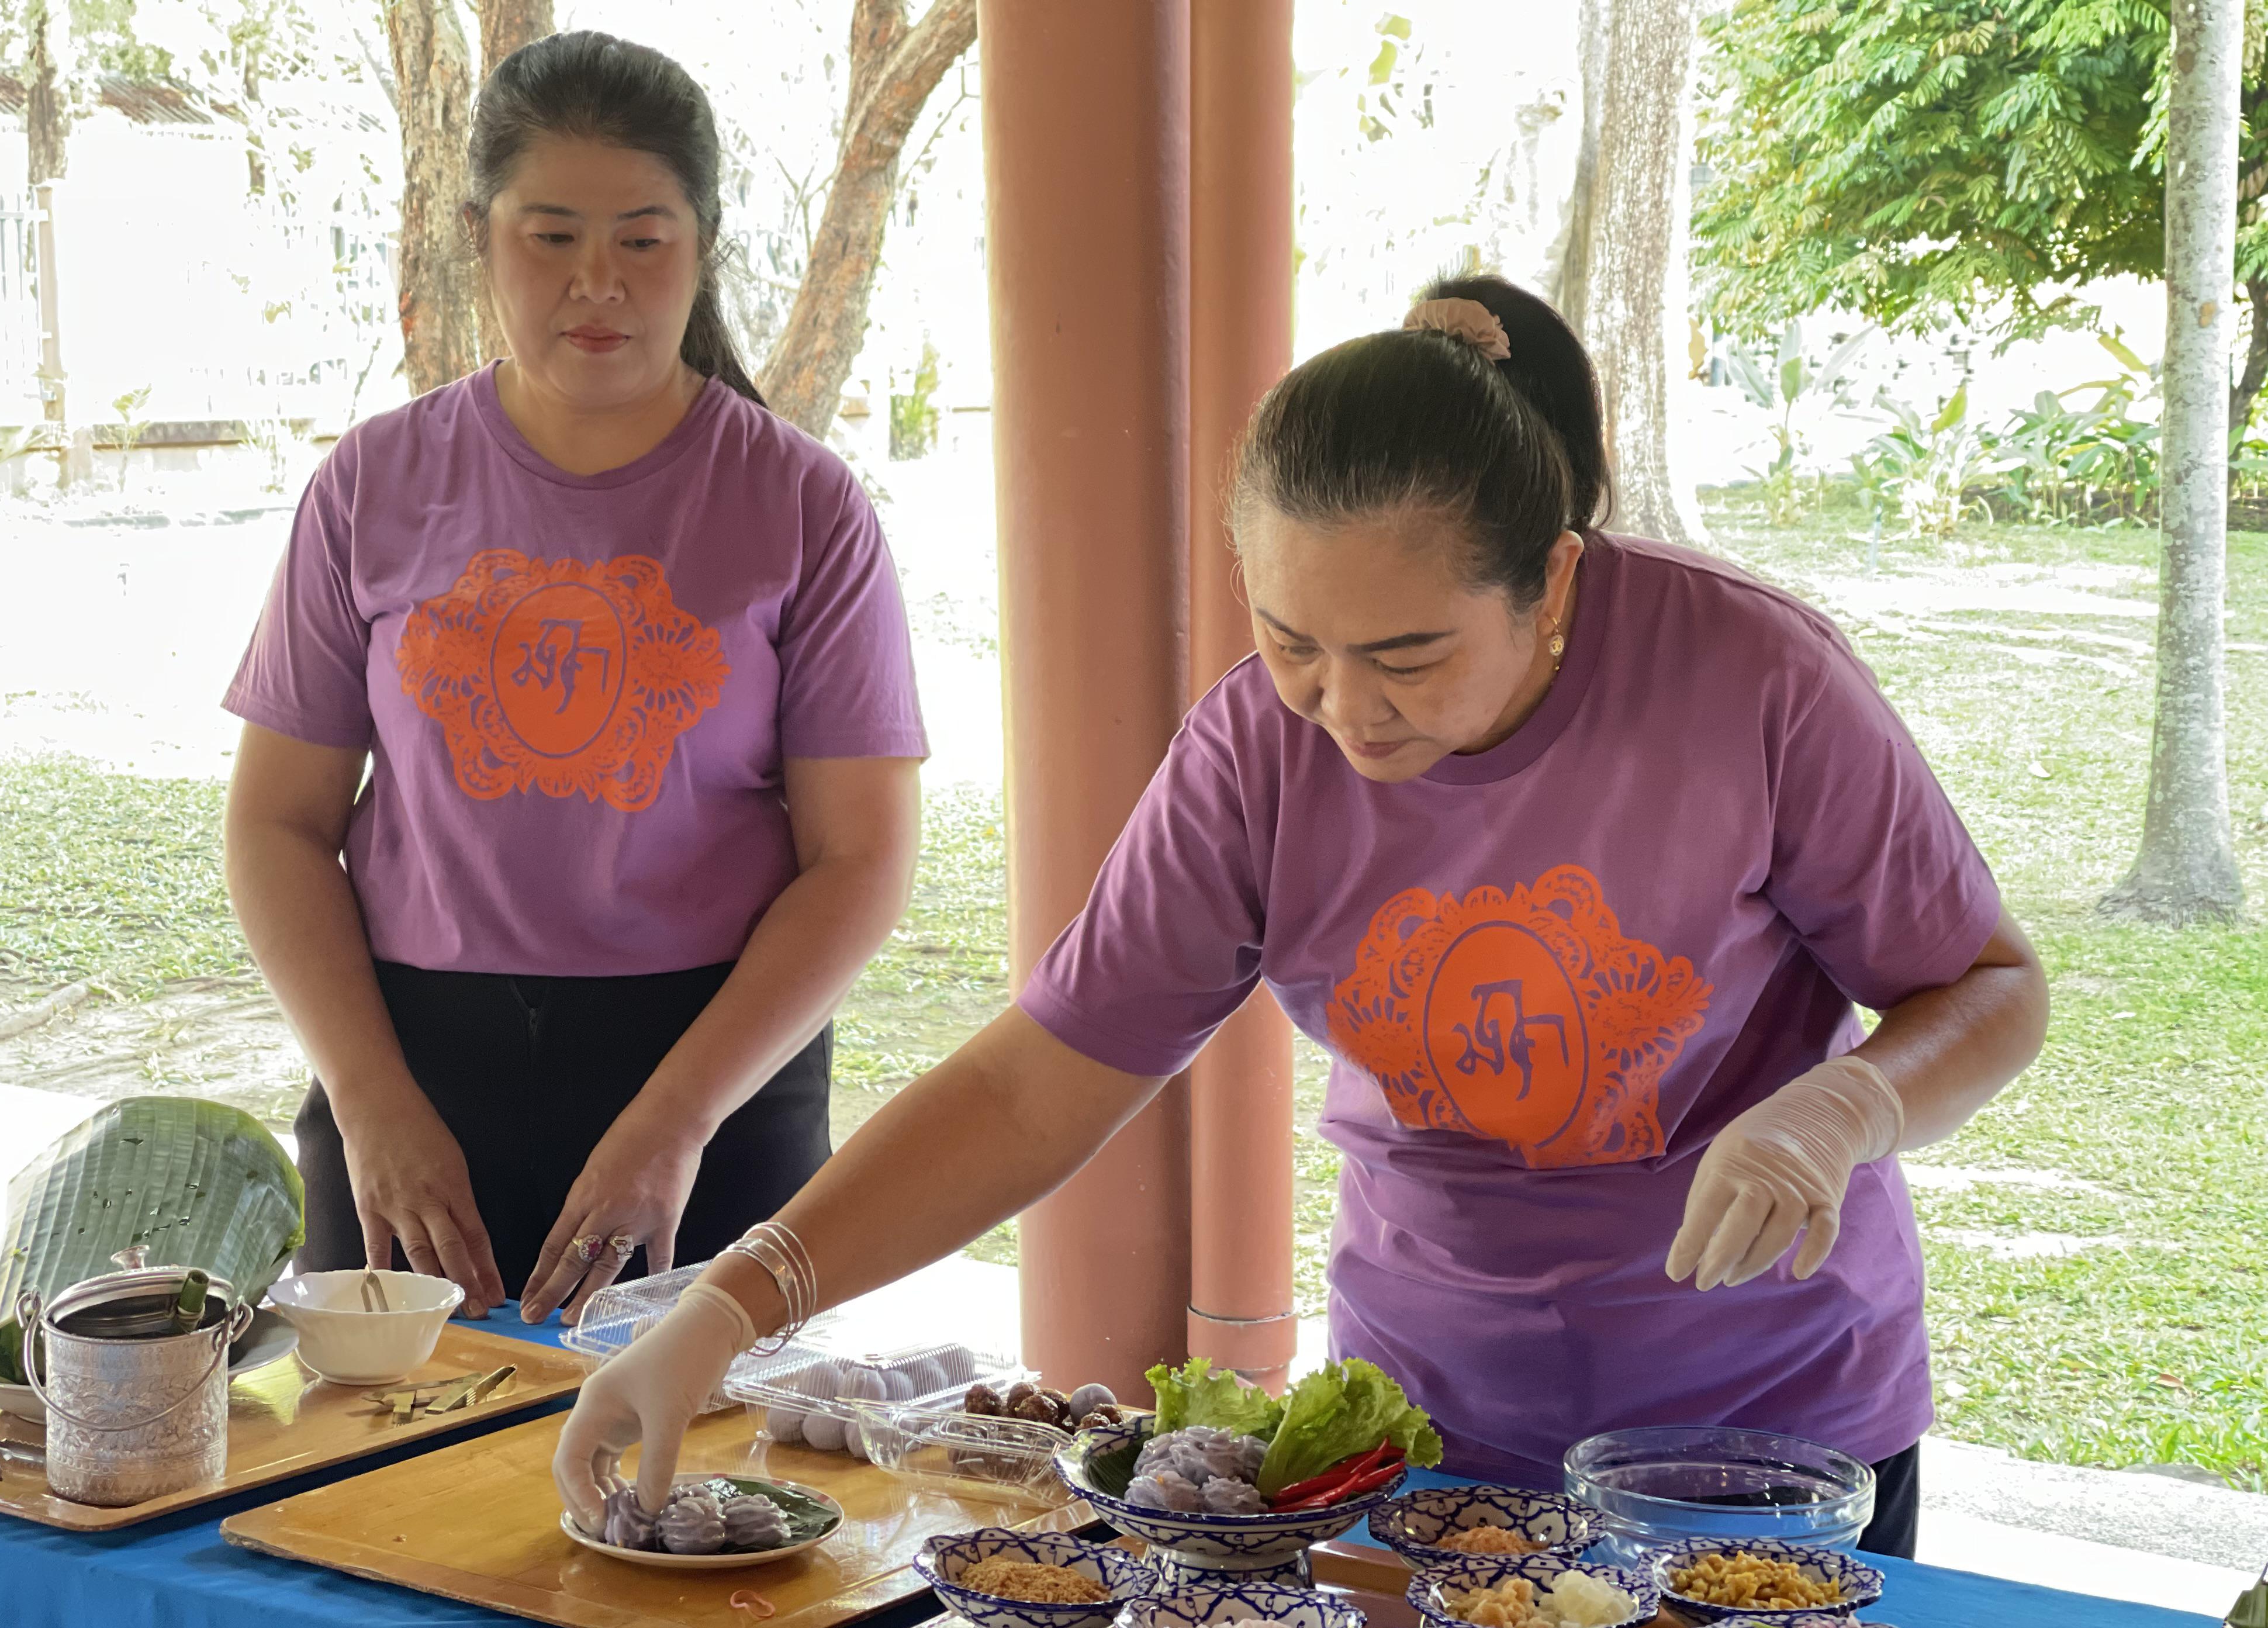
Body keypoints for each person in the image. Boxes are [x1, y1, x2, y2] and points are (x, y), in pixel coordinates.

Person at [553, 276, 2046, 1556]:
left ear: (1555, 585)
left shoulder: (1755, 681)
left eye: (1408, 655)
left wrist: (1847, 1106)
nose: (1345, 710)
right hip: (1420, 1433)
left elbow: (1988, 985)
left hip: (1757, 1444)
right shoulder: (1254, 754)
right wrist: (736, 1303)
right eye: (1290, 643)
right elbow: (1035, 1086)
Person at [223, 32, 925, 1328]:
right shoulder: (370, 486)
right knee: (368, 1489)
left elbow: (860, 860)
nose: (595, 284)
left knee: (698, 1498)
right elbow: (276, 823)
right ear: (482, 234)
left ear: (701, 244)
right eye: (550, 237)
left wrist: (674, 1123)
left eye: (642, 240)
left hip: (715, 1078)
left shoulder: (802, 505)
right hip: (412, 1068)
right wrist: (373, 1106)